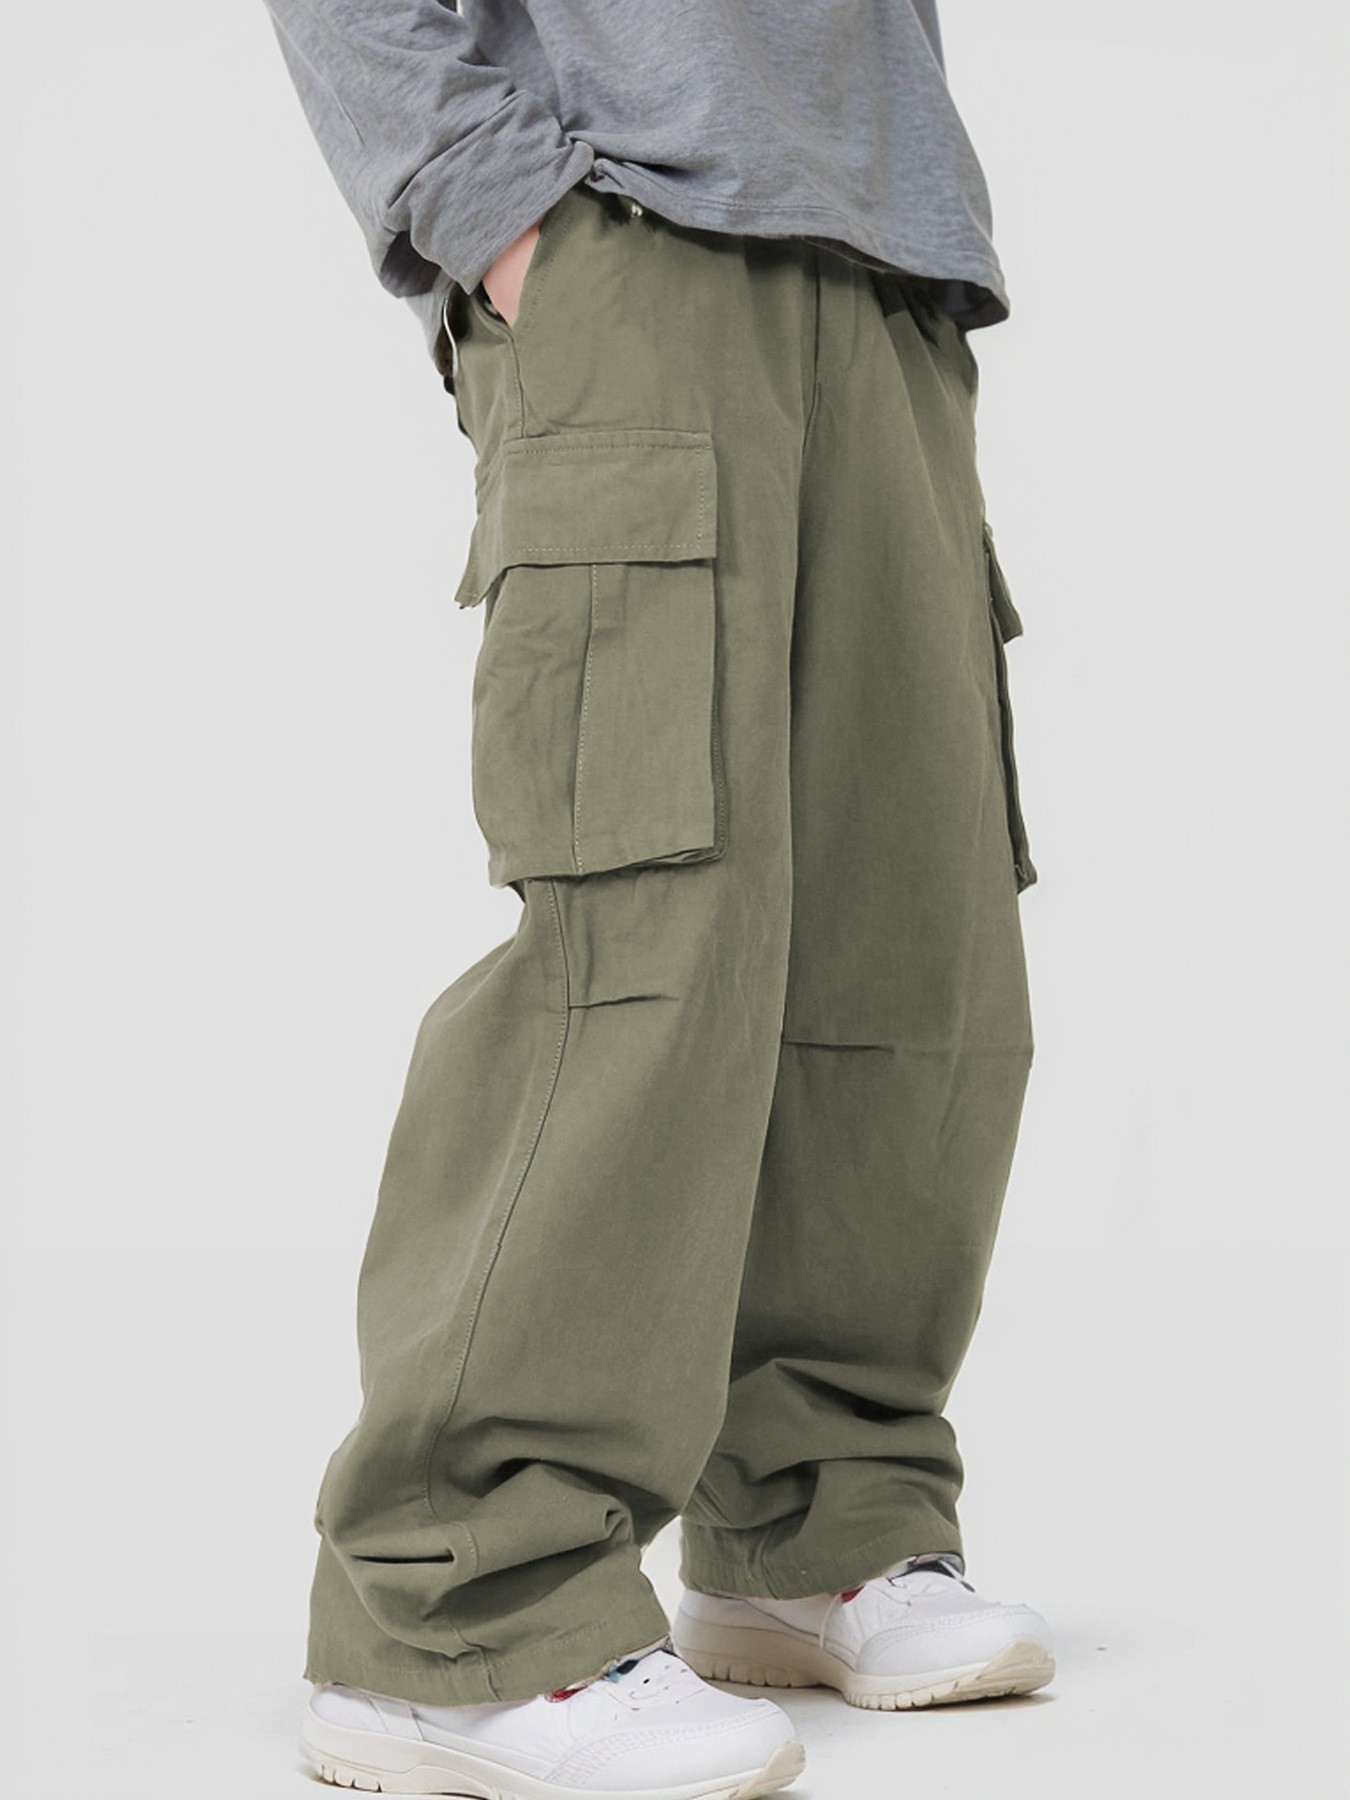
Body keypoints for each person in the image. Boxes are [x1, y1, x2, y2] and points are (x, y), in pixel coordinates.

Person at [262, 2, 1054, 1793]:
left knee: (905, 939)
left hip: (890, 267)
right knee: (640, 940)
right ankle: (459, 1608)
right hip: (632, 237)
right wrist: (498, 211)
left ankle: (819, 1519)